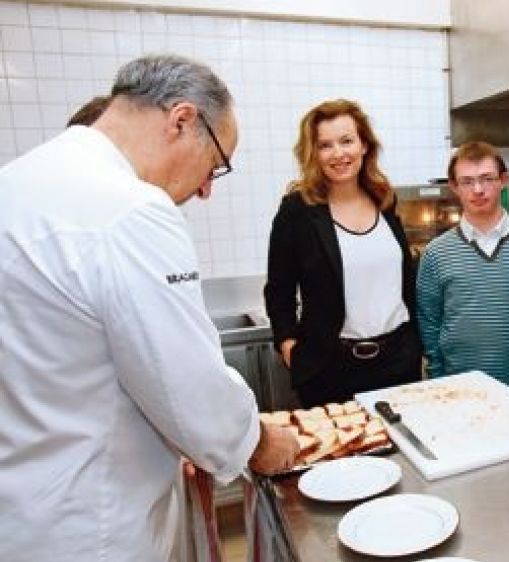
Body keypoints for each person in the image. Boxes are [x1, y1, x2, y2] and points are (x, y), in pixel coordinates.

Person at [0, 54, 298, 562]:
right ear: (182, 120)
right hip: (95, 526)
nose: (205, 189)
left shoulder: (18, 181)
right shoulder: (130, 207)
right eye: (215, 165)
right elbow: (187, 385)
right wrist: (261, 443)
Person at [264, 99, 422, 407]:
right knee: (344, 454)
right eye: (325, 145)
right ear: (313, 153)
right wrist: (288, 345)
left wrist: (415, 345)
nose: (338, 154)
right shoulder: (298, 210)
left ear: (364, 145)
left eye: (347, 141)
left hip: (398, 362)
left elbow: (403, 281)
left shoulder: (384, 201)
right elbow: (279, 290)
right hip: (330, 368)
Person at [416, 141, 509, 389]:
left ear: (503, 180)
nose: (478, 189)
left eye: (487, 179)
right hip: (459, 390)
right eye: (467, 181)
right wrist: (440, 381)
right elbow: (429, 324)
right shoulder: (435, 253)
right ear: (454, 187)